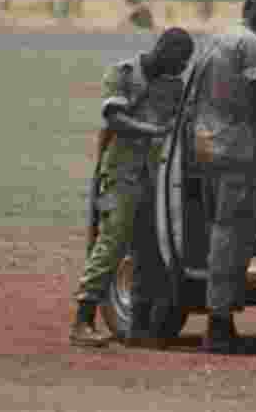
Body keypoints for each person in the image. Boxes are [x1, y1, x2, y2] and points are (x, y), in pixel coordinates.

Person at [70, 28, 194, 347]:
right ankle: (82, 319)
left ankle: (137, 326)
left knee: (149, 250)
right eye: (181, 59)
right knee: (112, 242)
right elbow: (114, 118)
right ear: (164, 49)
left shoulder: (174, 86)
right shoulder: (122, 74)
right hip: (120, 174)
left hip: (154, 178)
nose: (182, 67)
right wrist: (153, 130)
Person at [191, 0, 256, 353]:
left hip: (209, 145)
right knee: (232, 238)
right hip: (238, 151)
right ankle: (218, 325)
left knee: (219, 230)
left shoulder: (216, 39)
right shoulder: (253, 45)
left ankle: (220, 321)